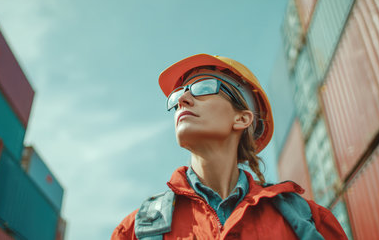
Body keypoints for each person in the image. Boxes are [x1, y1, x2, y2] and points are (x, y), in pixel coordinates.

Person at [111, 54, 347, 239]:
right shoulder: (135, 230)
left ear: (242, 119)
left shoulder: (310, 220)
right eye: (177, 95)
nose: (182, 100)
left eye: (202, 87)